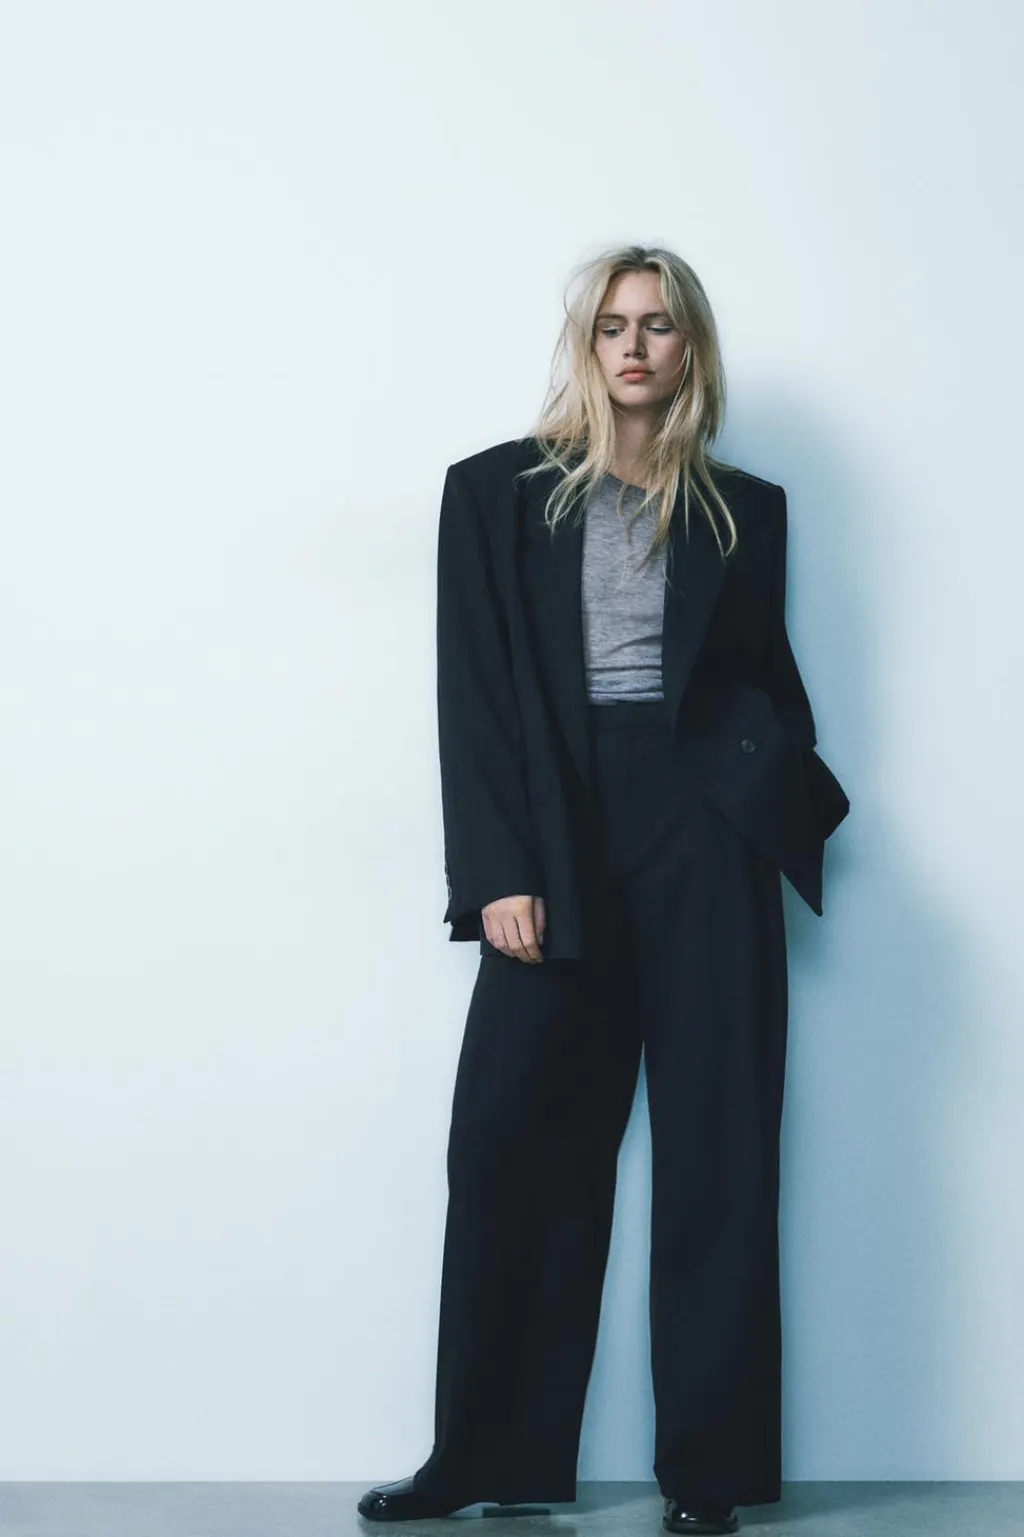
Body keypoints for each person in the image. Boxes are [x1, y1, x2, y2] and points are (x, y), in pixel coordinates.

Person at [358, 245, 850, 1535]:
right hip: (558, 824)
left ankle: (712, 1477)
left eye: (660, 326)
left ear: (691, 351)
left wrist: (771, 800)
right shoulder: (492, 492)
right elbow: (473, 697)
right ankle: (481, 1458)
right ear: (586, 344)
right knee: (513, 1143)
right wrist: (500, 873)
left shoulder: (745, 508)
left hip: (705, 837)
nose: (635, 347)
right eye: (614, 325)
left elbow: (763, 682)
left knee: (719, 1155)